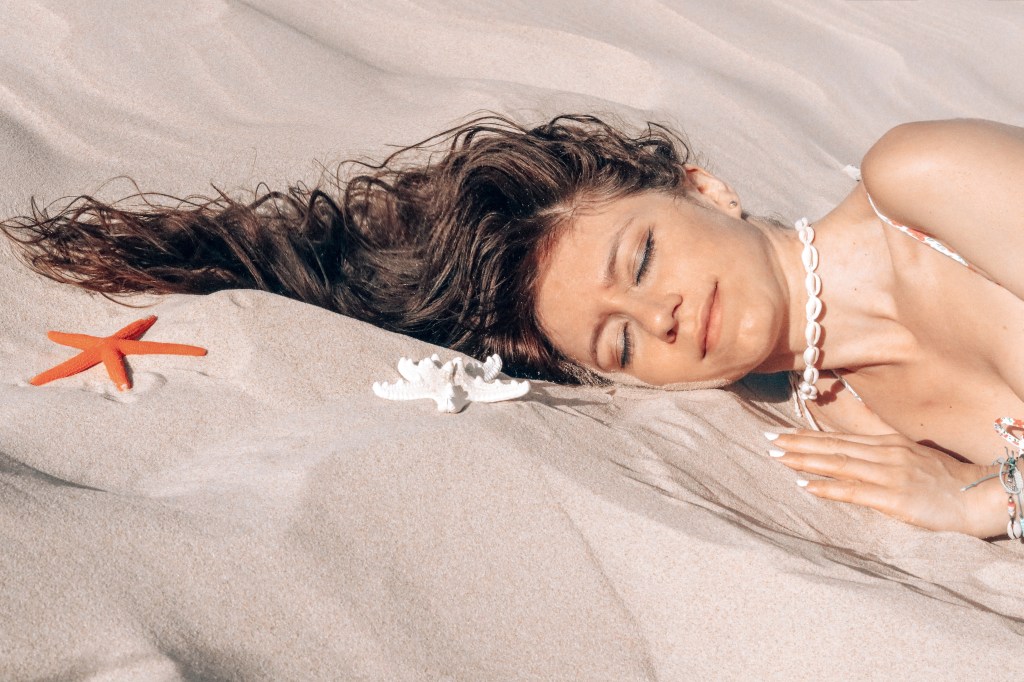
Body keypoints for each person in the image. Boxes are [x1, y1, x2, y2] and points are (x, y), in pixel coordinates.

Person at [4, 114, 1023, 540]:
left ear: (702, 186)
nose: (660, 316)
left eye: (640, 258)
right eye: (621, 344)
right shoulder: (841, 424)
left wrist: (987, 501)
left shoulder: (918, 180)